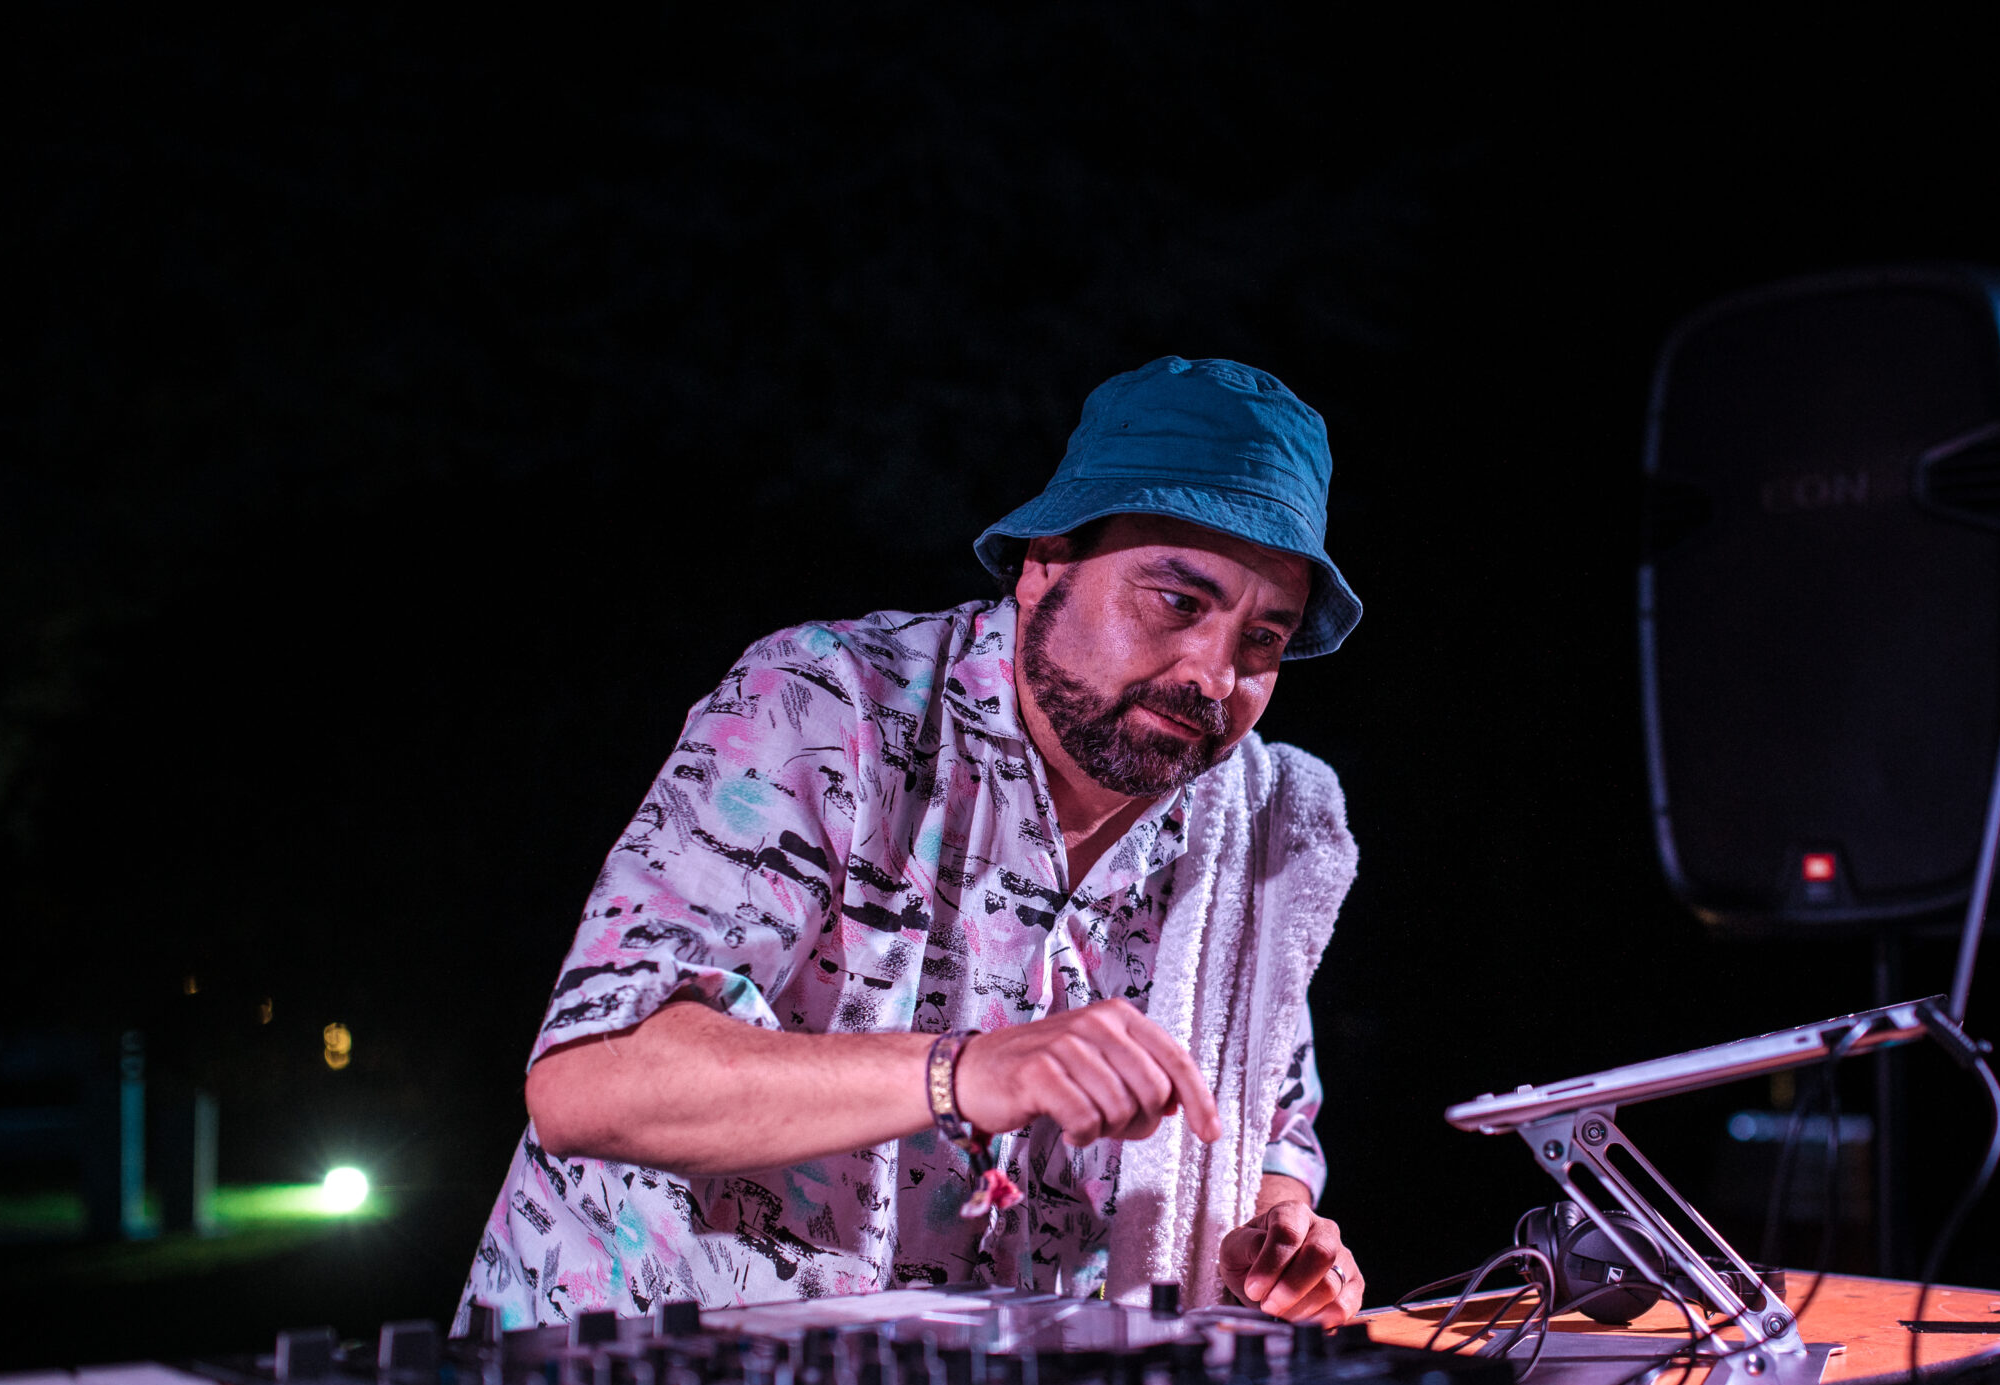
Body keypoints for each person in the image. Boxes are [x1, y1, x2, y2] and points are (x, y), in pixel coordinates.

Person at [455, 357, 1367, 1334]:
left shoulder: (1254, 827)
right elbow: (590, 1084)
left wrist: (1274, 1235)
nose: (1214, 675)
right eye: (1179, 602)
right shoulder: (825, 702)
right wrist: (963, 1071)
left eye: (1263, 639)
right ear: (1045, 563)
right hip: (637, 1381)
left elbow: (1267, 1129)